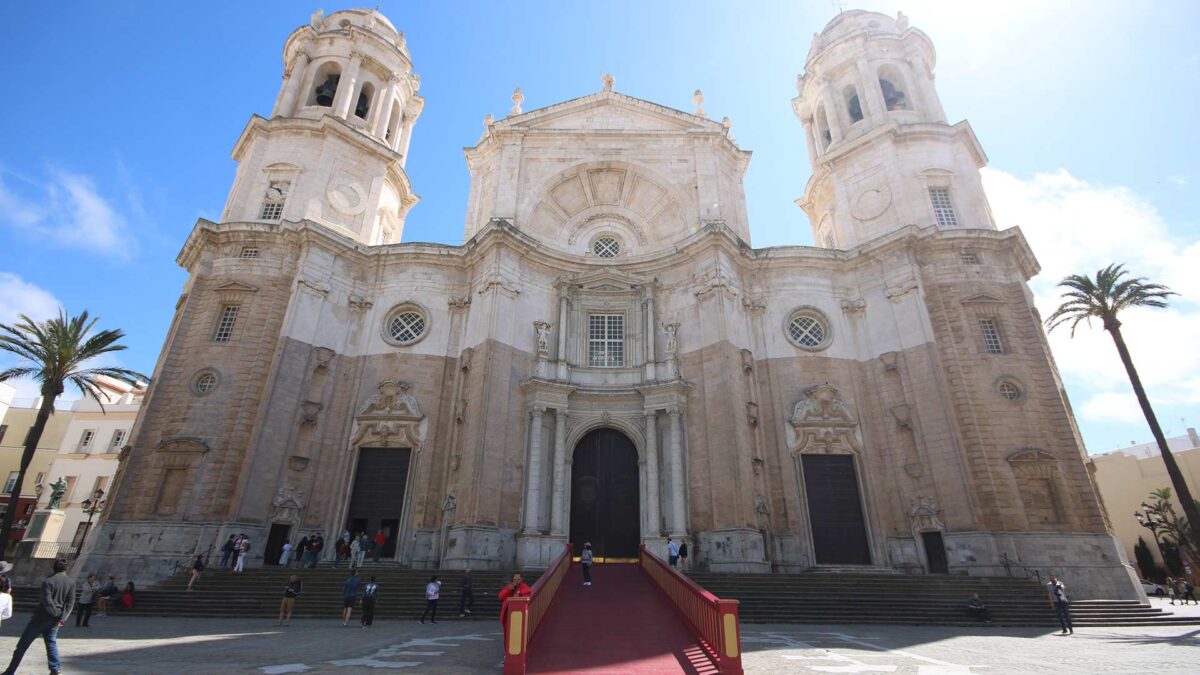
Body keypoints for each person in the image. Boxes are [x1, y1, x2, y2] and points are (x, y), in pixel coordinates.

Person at [1, 559, 75, 675]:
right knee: (51, 643)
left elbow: (47, 601)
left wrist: (55, 613)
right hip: (56, 619)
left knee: (22, 645)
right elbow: (70, 602)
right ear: (67, 569)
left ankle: (10, 671)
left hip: (41, 617)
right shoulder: (71, 582)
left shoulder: (48, 581)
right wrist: (62, 618)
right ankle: (55, 669)